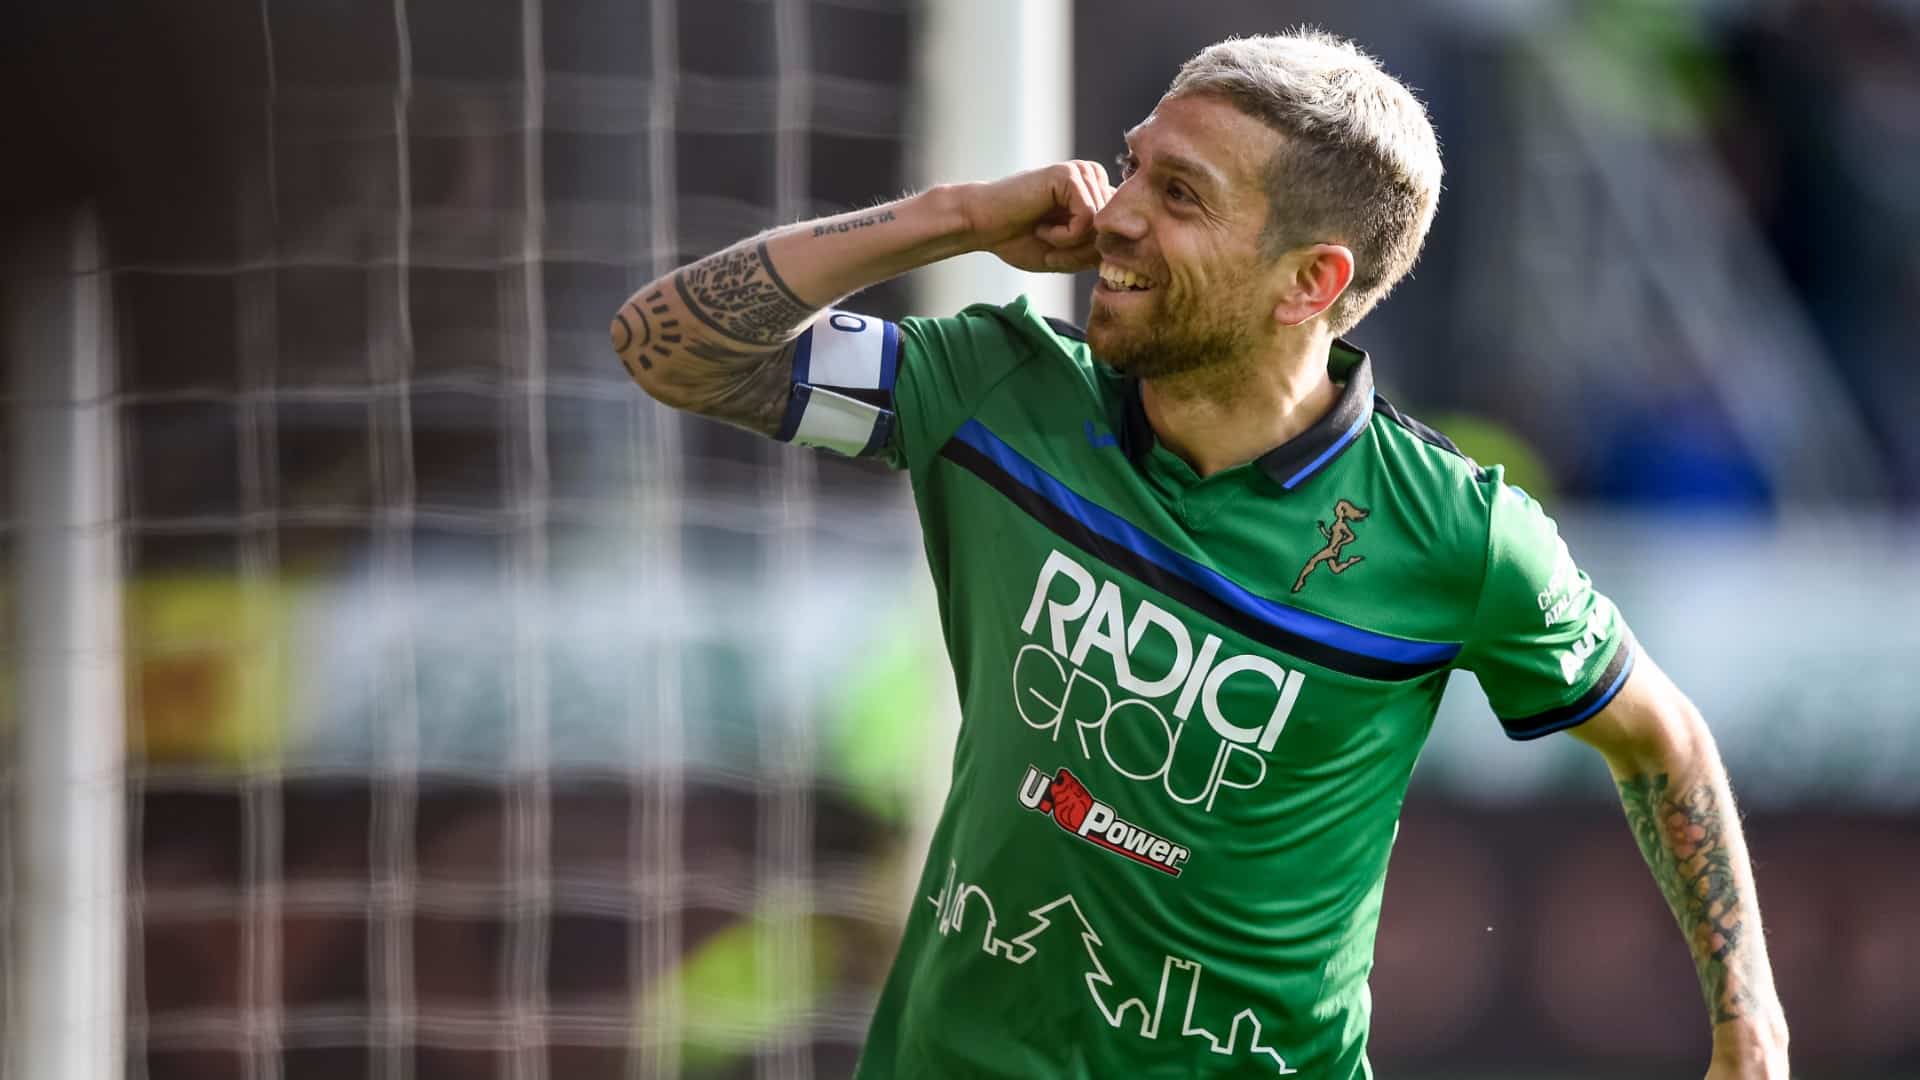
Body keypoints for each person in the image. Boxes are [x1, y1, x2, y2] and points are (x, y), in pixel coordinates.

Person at [611, 29, 1790, 1080]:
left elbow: (1663, 743)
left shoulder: (1457, 535)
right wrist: (957, 216)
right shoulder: (997, 389)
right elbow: (670, 348)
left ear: (1311, 282)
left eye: (1179, 194)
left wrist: (1751, 1027)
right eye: (1131, 166)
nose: (1116, 214)